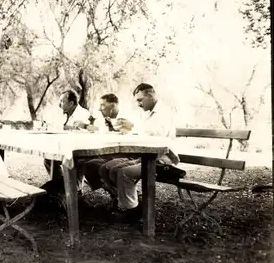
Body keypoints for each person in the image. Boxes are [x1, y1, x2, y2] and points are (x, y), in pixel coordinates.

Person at [99, 83, 179, 224]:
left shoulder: (164, 113)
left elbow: (157, 139)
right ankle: (130, 203)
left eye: (140, 100)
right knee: (108, 168)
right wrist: (128, 130)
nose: (138, 104)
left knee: (125, 172)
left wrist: (133, 127)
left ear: (151, 96)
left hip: (162, 159)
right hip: (145, 156)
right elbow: (140, 134)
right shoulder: (146, 114)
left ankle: (129, 211)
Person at [41, 90, 92, 202]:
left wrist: (68, 128)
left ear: (71, 103)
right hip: (64, 146)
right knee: (49, 159)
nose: (60, 104)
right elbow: (56, 127)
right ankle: (61, 185)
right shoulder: (63, 114)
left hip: (79, 149)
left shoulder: (83, 114)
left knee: (72, 162)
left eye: (62, 101)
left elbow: (86, 133)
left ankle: (73, 188)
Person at [82, 93, 135, 191]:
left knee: (97, 165)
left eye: (103, 105)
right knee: (85, 163)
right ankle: (112, 189)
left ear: (113, 105)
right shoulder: (108, 119)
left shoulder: (125, 118)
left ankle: (120, 191)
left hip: (127, 154)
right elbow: (101, 132)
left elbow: (130, 137)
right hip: (112, 152)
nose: (99, 108)